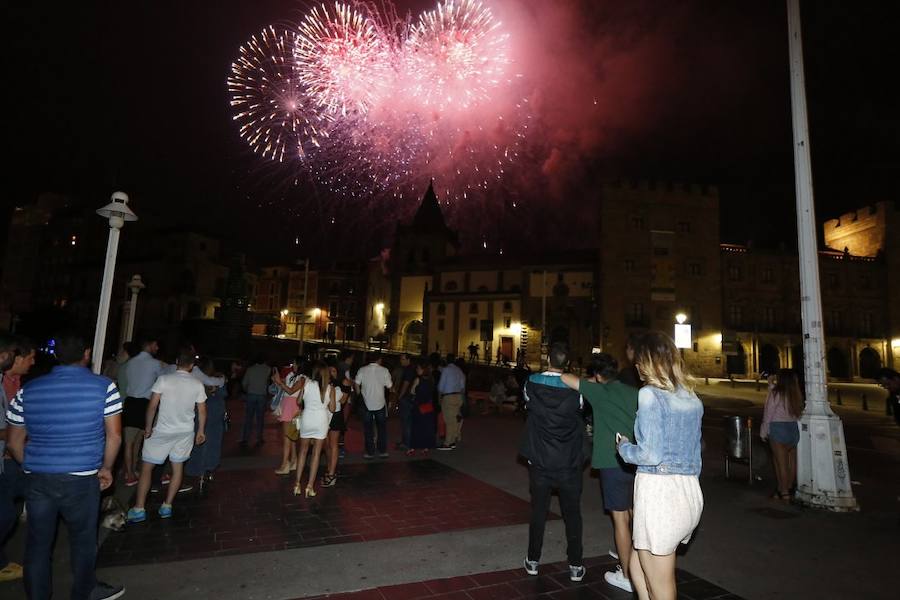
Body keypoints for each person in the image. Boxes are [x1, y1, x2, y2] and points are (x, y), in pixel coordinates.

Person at [5, 332, 125, 600]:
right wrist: (106, 468)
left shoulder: (28, 390)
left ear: (56, 355)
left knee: (37, 545)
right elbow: (115, 435)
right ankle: (84, 591)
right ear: (86, 353)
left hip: (39, 479)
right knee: (83, 542)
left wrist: (33, 466)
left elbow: (13, 442)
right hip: (81, 479)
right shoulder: (104, 387)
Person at [617, 331, 703, 600]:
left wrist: (623, 447)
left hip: (660, 494)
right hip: (688, 491)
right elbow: (696, 452)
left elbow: (651, 455)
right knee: (638, 560)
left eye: (641, 360)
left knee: (662, 586)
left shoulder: (650, 395)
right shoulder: (692, 397)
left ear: (650, 362)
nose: (637, 366)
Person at [561, 353, 638, 593]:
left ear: (596, 375)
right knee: (637, 517)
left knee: (620, 520)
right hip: (636, 460)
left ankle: (626, 576)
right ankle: (643, 566)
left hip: (612, 462)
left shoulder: (598, 392)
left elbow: (565, 378)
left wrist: (591, 382)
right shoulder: (633, 392)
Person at [519, 342, 586, 583]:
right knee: (572, 514)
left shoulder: (531, 383)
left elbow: (526, 404)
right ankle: (576, 565)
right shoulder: (576, 388)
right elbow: (580, 409)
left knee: (538, 511)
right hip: (568, 461)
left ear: (548, 359)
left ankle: (533, 560)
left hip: (540, 460)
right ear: (566, 363)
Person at [127, 348, 207, 523]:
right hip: (185, 432)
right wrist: (200, 431)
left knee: (146, 468)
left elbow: (153, 406)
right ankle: (167, 506)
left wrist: (148, 427)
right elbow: (202, 410)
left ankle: (139, 509)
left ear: (177, 361)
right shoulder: (197, 384)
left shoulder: (164, 380)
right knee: (177, 468)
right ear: (192, 365)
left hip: (162, 430)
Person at [0, 334, 34, 584]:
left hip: (11, 455)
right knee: (6, 513)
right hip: (8, 454)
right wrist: (19, 433)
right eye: (30, 358)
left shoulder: (14, 381)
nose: (32, 363)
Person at [121, 336, 170, 487]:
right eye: (156, 345)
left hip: (130, 403)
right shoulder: (155, 364)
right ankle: (146, 473)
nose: (157, 348)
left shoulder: (130, 363)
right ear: (150, 344)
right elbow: (166, 379)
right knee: (148, 441)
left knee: (129, 442)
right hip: (145, 404)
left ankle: (129, 474)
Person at [291, 363, 336, 497]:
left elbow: (298, 401)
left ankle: (297, 484)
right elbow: (332, 409)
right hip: (321, 420)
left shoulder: (306, 384)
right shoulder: (330, 389)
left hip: (307, 419)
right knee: (316, 453)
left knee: (303, 452)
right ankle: (309, 487)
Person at [761, 369, 803, 502]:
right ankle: (786, 488)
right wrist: (771, 385)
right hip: (792, 429)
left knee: (780, 464)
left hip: (778, 428)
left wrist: (764, 431)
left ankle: (784, 493)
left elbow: (768, 413)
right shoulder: (795, 395)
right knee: (791, 462)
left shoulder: (775, 393)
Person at [186, 357, 227, 490]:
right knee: (213, 442)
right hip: (214, 414)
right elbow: (224, 393)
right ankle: (208, 469)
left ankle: (196, 470)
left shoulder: (194, 378)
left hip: (200, 413)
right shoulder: (217, 378)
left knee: (198, 441)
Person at [354, 353, 393, 459]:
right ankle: (382, 451)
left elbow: (356, 383)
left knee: (368, 428)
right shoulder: (384, 370)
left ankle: (370, 452)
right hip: (380, 403)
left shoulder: (362, 370)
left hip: (366, 403)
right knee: (382, 428)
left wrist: (359, 396)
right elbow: (389, 386)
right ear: (379, 359)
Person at [273, 358, 305, 474]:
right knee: (290, 437)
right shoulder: (292, 375)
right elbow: (286, 389)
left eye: (295, 363)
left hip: (292, 405)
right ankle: (293, 461)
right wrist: (278, 381)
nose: (293, 365)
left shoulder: (302, 378)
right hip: (288, 404)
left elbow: (291, 391)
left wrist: (280, 382)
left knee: (287, 437)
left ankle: (285, 465)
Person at [322, 363, 348, 487]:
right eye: (329, 371)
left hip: (336, 415)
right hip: (324, 415)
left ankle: (332, 474)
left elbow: (343, 401)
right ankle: (330, 467)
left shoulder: (343, 383)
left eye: (333, 371)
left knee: (333, 444)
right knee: (326, 444)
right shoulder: (325, 383)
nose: (331, 373)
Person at [436, 353, 465, 451]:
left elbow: (441, 386)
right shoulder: (459, 370)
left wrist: (439, 398)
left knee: (449, 420)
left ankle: (448, 443)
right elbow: (462, 386)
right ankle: (453, 440)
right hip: (458, 396)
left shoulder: (446, 370)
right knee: (454, 419)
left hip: (449, 396)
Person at [407, 360, 437, 455]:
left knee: (416, 427)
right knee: (426, 427)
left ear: (423, 369)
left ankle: (413, 447)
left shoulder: (418, 379)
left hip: (418, 406)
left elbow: (412, 391)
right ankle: (425, 447)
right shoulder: (431, 379)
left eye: (418, 368)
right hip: (428, 407)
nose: (417, 370)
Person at [240, 355, 271, 447]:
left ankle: (245, 438)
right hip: (262, 395)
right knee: (260, 418)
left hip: (251, 394)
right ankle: (259, 437)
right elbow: (268, 382)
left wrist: (247, 390)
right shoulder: (268, 369)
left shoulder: (250, 369)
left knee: (248, 417)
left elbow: (244, 383)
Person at [394, 353, 416, 450]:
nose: (401, 361)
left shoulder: (408, 370)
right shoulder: (411, 369)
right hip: (410, 398)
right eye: (401, 359)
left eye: (403, 359)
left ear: (408, 360)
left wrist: (400, 396)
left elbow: (406, 384)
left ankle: (406, 443)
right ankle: (406, 441)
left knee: (406, 421)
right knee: (407, 421)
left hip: (406, 398)